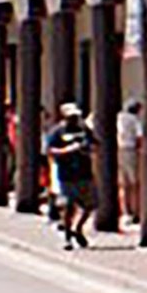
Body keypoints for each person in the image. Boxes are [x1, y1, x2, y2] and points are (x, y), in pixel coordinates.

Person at [44, 104, 98, 251]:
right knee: (68, 207)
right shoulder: (57, 131)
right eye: (71, 117)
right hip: (66, 174)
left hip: (84, 173)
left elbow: (94, 145)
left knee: (90, 205)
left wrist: (87, 149)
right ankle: (67, 237)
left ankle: (78, 228)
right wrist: (67, 150)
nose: (75, 119)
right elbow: (49, 150)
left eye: (76, 116)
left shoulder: (84, 130)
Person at [116, 99, 145, 224]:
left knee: (123, 184)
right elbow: (140, 137)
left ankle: (125, 211)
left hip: (119, 149)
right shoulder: (134, 120)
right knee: (134, 183)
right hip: (131, 150)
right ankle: (135, 211)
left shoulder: (119, 117)